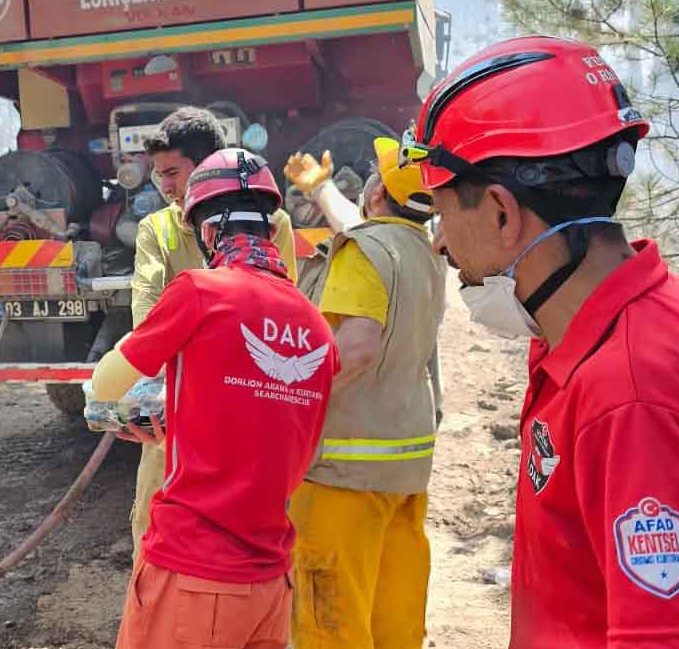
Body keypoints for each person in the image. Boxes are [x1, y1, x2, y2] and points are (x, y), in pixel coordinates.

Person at [404, 35, 679, 648]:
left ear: (499, 212)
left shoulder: (629, 393)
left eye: (442, 214)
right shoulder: (598, 338)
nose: (440, 245)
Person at [92, 148, 339, 649]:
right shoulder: (317, 329)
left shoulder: (200, 293)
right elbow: (268, 426)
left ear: (208, 232)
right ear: (271, 228)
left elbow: (105, 385)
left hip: (193, 573)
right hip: (271, 582)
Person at [282, 138, 445, 649]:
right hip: (404, 470)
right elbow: (368, 232)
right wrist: (323, 190)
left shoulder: (363, 253)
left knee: (331, 625)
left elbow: (354, 350)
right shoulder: (424, 252)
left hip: (341, 478)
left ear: (375, 190)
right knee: (392, 622)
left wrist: (282, 393)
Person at [130, 106, 298, 557]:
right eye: (156, 174)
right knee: (153, 520)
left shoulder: (272, 223)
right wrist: (149, 382)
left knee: (254, 526)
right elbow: (145, 305)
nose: (164, 185)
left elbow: (283, 308)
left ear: (206, 167)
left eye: (172, 171)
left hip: (249, 396)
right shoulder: (158, 229)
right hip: (181, 400)